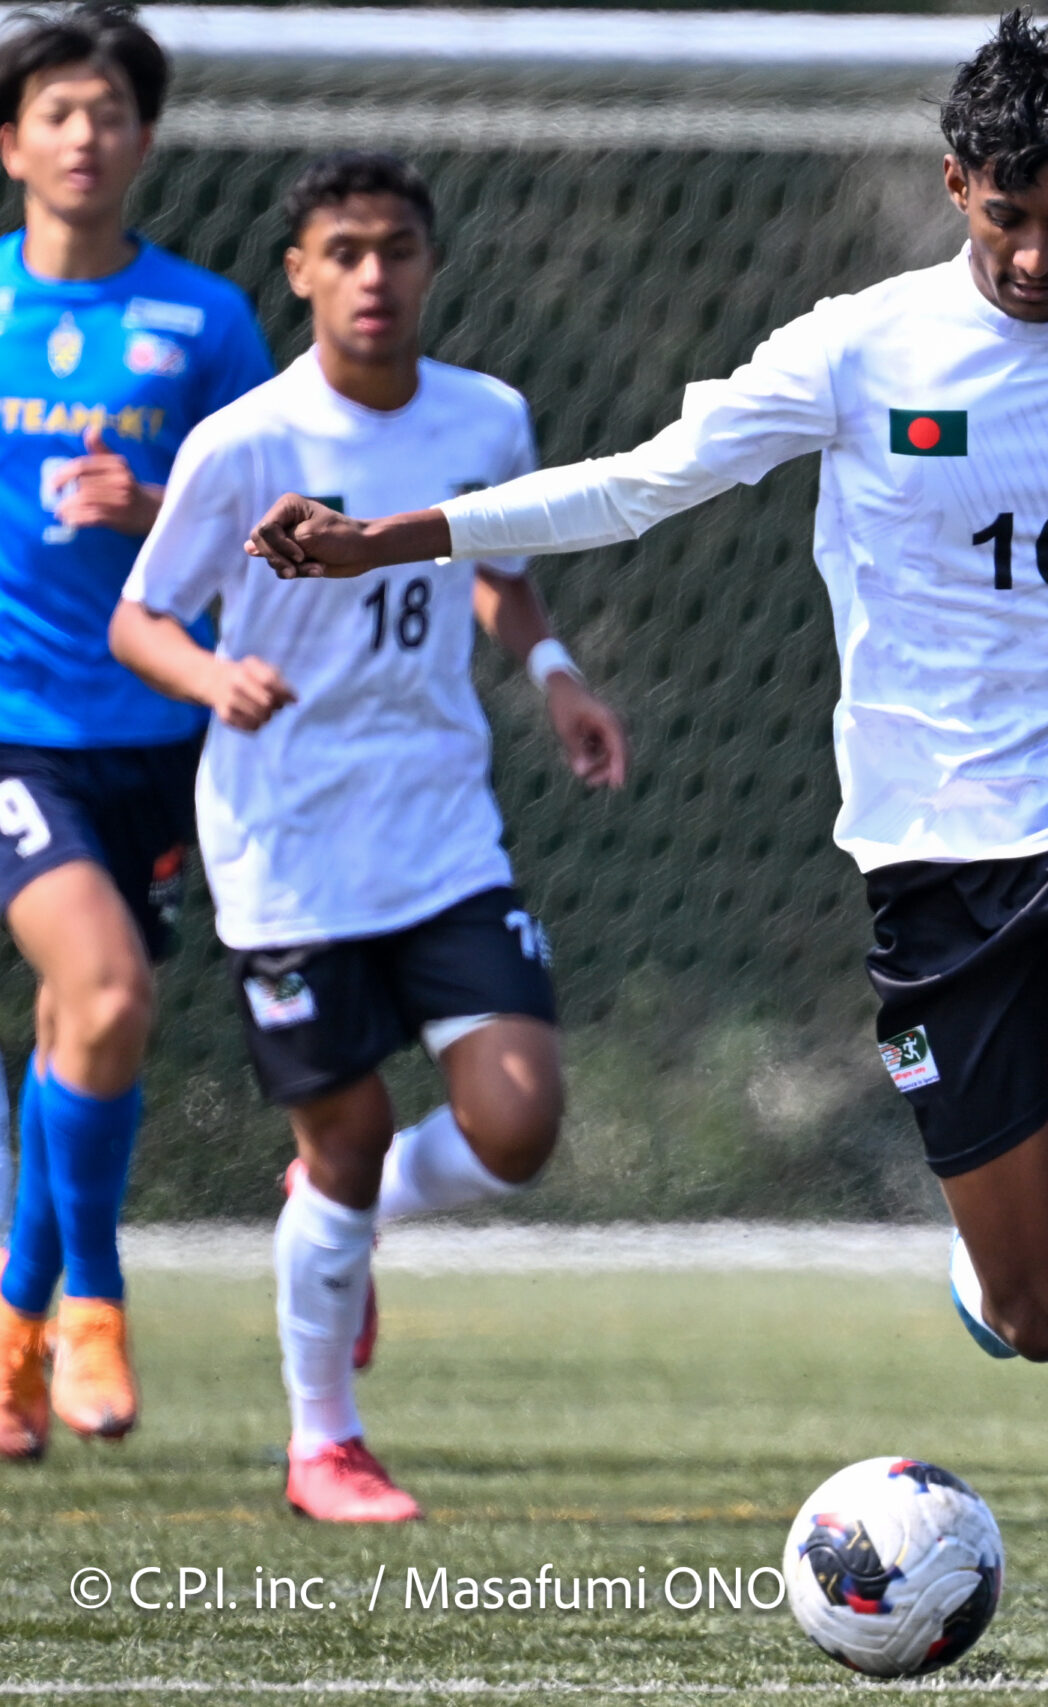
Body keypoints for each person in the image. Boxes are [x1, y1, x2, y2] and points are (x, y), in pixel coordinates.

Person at [237, 14, 1048, 1675]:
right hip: (936, 868)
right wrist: (384, 541)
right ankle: (996, 1280)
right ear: (957, 185)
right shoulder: (859, 349)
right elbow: (637, 486)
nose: (1041, 256)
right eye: (1011, 217)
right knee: (1044, 1314)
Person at [110, 151, 628, 1521]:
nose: (373, 275)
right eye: (343, 251)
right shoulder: (244, 443)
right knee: (344, 1140)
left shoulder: (486, 417)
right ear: (300, 273)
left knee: (518, 1122)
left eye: (396, 247)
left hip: (440, 826)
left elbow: (497, 574)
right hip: (286, 844)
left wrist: (556, 674)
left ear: (430, 263)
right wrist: (213, 676)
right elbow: (138, 619)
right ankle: (322, 1443)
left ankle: (346, 1207)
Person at [0, 1, 270, 1460]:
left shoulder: (204, 321)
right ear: (11, 143)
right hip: (13, 729)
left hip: (157, 730)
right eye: (58, 111)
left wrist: (153, 506)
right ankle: (95, 1299)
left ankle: (13, 1342)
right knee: (105, 997)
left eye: (109, 112)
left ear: (146, 141)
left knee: (75, 1027)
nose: (84, 135)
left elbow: (267, 530)